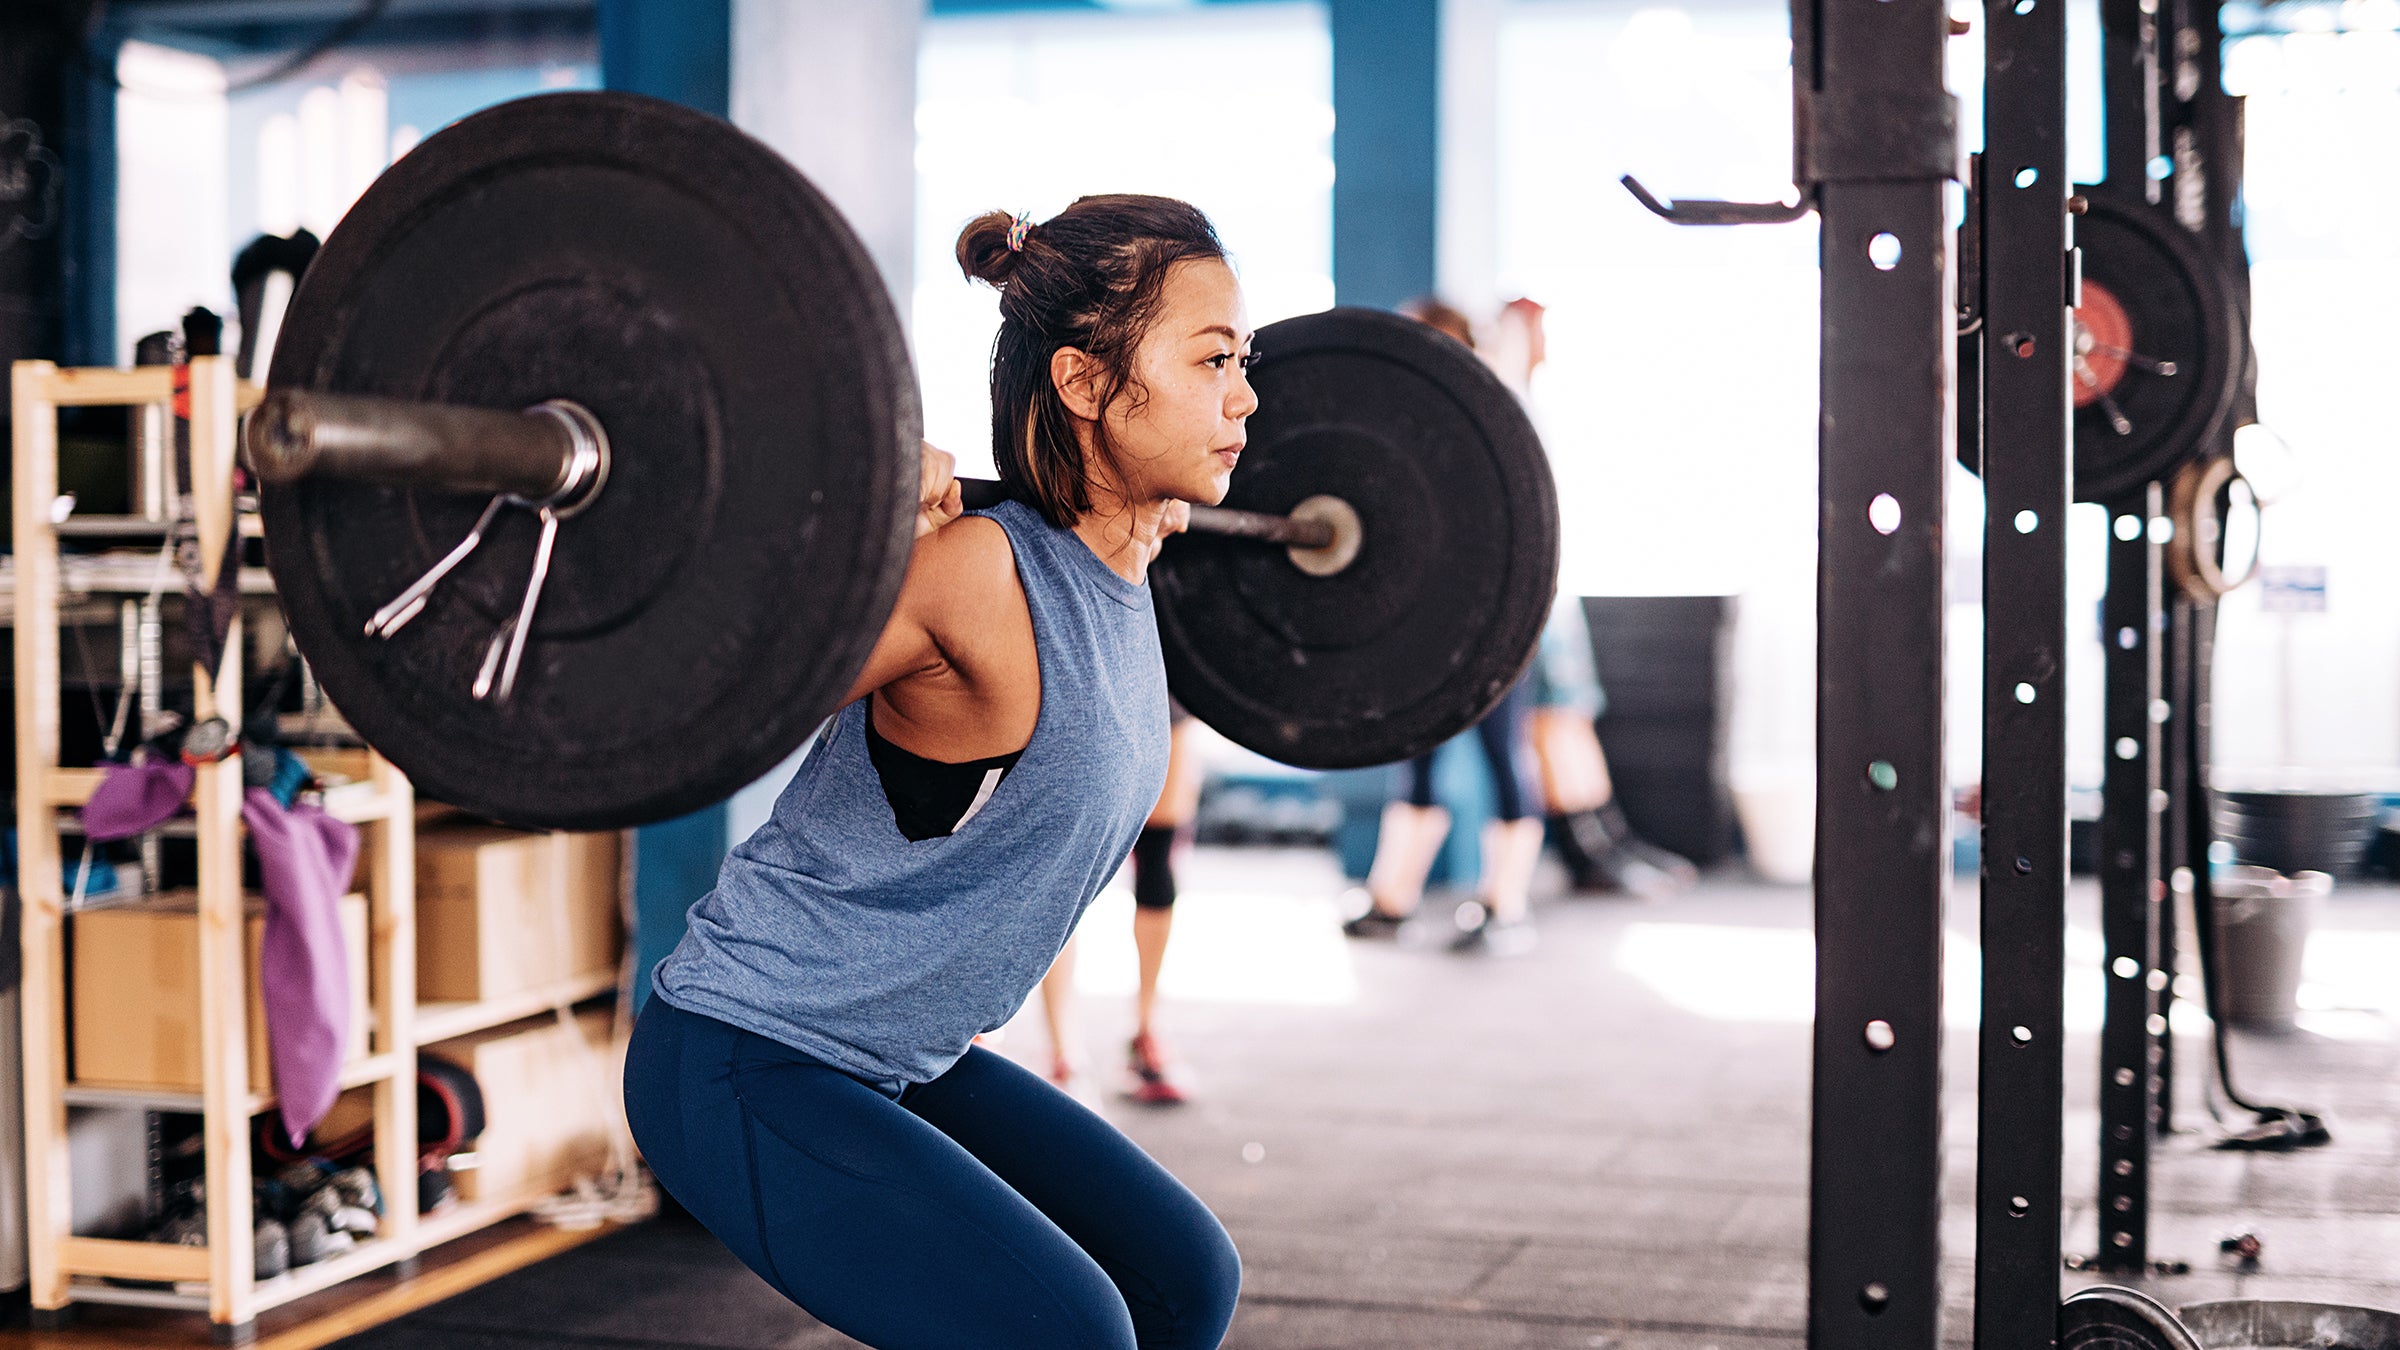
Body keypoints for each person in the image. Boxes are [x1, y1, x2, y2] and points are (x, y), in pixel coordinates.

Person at [623, 196, 1247, 1350]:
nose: (1245, 396)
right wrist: (844, 525)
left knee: (1183, 1283)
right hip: (747, 1053)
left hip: (899, 1057)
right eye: (1212, 359)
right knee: (1070, 1334)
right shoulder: (974, 572)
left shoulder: (1123, 563)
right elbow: (704, 693)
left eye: (1242, 361)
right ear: (1086, 381)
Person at [1340, 296, 1546, 955]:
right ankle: (1392, 900)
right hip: (1425, 627)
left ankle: (1505, 905)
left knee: (1502, 759)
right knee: (1420, 764)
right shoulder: (1407, 420)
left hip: (1498, 623)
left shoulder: (1498, 415)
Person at [1036, 704, 1205, 1104]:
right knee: (1067, 858)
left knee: (1158, 851)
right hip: (1081, 685)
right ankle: (1064, 1054)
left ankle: (1146, 1032)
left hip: (1170, 683)